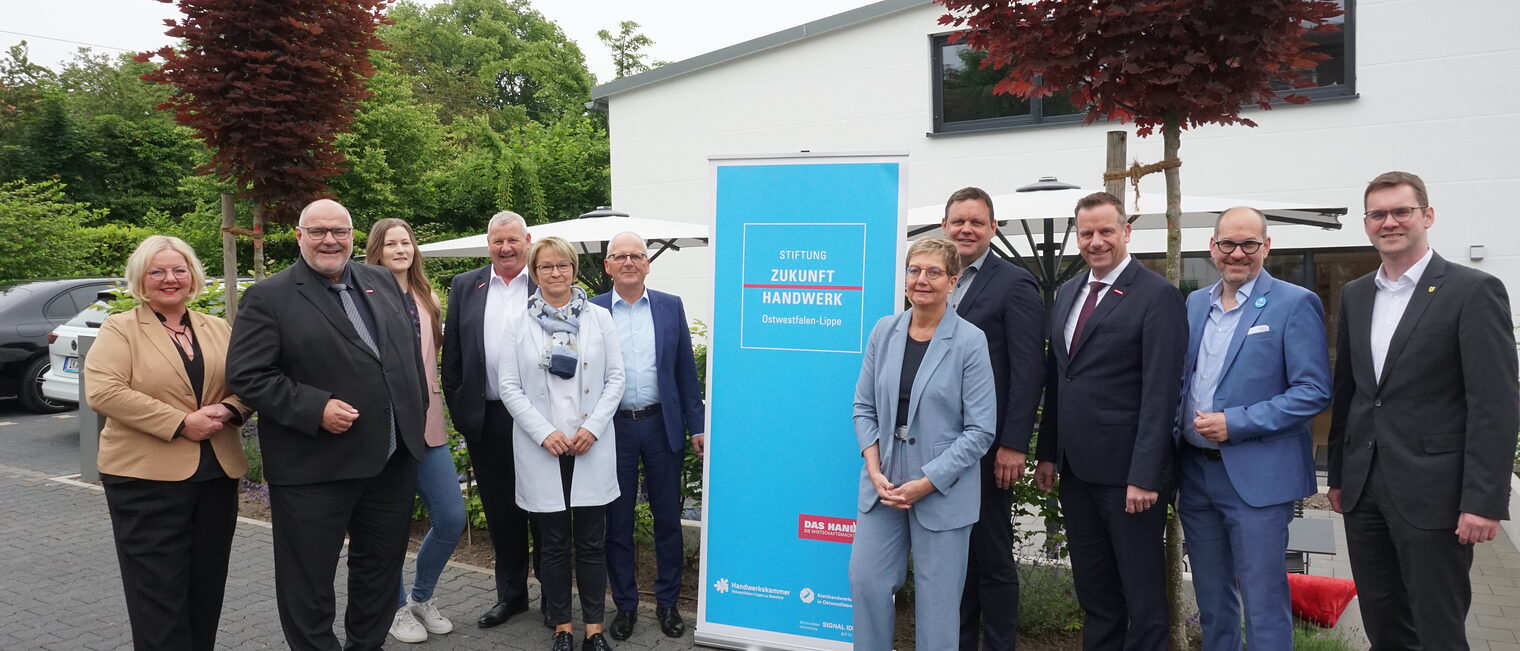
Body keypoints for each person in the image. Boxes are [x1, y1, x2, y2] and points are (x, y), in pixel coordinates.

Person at [1327, 171, 1518, 650]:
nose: (1389, 222)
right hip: (1363, 491)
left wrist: (1483, 500)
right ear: (1367, 224)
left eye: (1401, 211)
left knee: (1437, 627)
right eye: (1378, 214)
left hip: (1436, 496)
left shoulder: (1472, 290)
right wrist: (1337, 476)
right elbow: (1348, 391)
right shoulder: (1356, 294)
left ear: (1427, 216)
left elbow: (1495, 403)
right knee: (1382, 622)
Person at [227, 198, 430, 651]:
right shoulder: (269, 296)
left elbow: (402, 360)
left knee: (378, 572)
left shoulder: (380, 280)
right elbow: (248, 375)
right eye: (317, 231)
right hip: (314, 469)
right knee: (308, 581)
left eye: (338, 231)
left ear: (353, 236)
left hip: (391, 463)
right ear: (299, 236)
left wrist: (414, 423)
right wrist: (314, 408)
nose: (329, 240)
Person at [1033, 191, 1186, 651]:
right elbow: (1061, 378)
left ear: (1126, 232)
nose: (1096, 241)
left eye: (1106, 231)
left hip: (1128, 479)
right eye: (1086, 233)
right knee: (1095, 593)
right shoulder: (1068, 293)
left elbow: (1162, 393)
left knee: (1142, 598)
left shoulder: (1157, 295)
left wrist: (1145, 475)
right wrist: (1046, 454)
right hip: (1076, 471)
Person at [85, 235, 250, 651]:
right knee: (157, 595)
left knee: (206, 589)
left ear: (192, 276)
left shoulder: (217, 328)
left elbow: (248, 382)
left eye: (179, 270)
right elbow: (104, 392)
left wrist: (229, 411)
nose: (169, 279)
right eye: (157, 271)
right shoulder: (120, 328)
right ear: (141, 280)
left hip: (216, 474)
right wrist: (180, 422)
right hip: (144, 480)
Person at [1177, 207, 1331, 651]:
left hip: (1257, 478)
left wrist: (1236, 423)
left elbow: (1313, 391)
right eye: (1228, 244)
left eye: (1249, 244)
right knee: (1211, 598)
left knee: (1263, 601)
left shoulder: (1294, 302)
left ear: (1266, 246)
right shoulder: (1194, 303)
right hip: (1196, 474)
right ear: (1213, 247)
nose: (1237, 253)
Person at [849, 236, 997, 651]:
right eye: (915, 271)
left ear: (953, 281)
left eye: (934, 272)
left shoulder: (970, 341)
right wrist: (875, 470)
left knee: (938, 606)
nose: (922, 280)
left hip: (942, 490)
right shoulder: (884, 330)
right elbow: (863, 407)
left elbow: (981, 429)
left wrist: (928, 481)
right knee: (867, 583)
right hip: (884, 485)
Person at [498, 236, 625, 651]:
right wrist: (544, 432)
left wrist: (593, 428)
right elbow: (509, 386)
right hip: (544, 446)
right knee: (552, 544)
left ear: (574, 269)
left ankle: (593, 628)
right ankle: (562, 627)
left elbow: (616, 379)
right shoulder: (518, 321)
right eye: (547, 267)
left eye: (563, 266)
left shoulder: (599, 318)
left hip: (590, 443)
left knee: (591, 542)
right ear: (534, 273)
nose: (556, 273)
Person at [939, 187, 1046, 651]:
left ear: (992, 228)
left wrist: (1014, 443)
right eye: (959, 221)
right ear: (945, 226)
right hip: (937, 445)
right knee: (955, 555)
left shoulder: (1014, 283)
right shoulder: (933, 277)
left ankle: (998, 644)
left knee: (993, 555)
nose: (966, 229)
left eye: (976, 222)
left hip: (987, 447)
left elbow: (1028, 369)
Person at [590, 232, 706, 641]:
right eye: (619, 256)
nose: (628, 262)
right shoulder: (592, 310)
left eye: (636, 255)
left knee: (666, 520)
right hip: (612, 429)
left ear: (647, 263)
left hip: (662, 426)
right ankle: (625, 605)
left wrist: (698, 426)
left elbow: (684, 372)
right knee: (616, 522)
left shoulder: (670, 306)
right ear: (608, 266)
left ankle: (668, 603)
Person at [365, 218, 467, 644]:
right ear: (377, 251)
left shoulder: (427, 297)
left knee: (450, 517)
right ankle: (395, 608)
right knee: (388, 525)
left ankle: (420, 598)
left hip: (427, 424)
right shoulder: (363, 296)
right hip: (384, 428)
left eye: (406, 242)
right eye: (391, 243)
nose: (400, 249)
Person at [440, 210, 544, 629]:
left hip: (539, 422)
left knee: (547, 510)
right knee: (502, 513)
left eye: (513, 240)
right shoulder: (466, 285)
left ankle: (554, 597)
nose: (505, 248)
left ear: (527, 240)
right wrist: (464, 414)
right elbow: (453, 358)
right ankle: (512, 597)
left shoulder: (547, 280)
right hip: (489, 418)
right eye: (498, 241)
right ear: (489, 244)